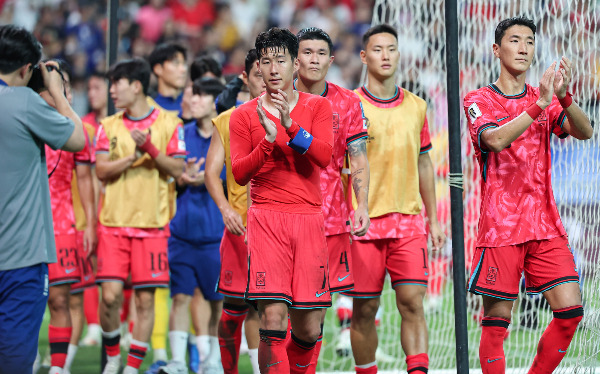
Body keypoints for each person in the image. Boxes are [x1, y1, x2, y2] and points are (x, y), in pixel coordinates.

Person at [463, 16, 592, 374]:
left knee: (570, 312)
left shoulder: (546, 99)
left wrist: (564, 99)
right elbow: (494, 139)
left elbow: (585, 131)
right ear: (496, 49)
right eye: (515, 40)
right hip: (500, 227)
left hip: (544, 224)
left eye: (530, 41)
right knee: (498, 319)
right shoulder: (479, 98)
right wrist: (540, 105)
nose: (523, 47)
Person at [229, 27, 333, 373]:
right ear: (257, 67)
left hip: (308, 219)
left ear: (294, 65)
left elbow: (324, 157)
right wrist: (266, 144)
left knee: (307, 328)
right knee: (272, 319)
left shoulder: (318, 106)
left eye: (280, 61)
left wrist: (290, 126)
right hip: (266, 219)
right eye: (266, 61)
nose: (273, 69)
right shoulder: (244, 115)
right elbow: (240, 174)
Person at [343, 24, 446, 374]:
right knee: (365, 310)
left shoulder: (417, 106)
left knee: (413, 303)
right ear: (364, 56)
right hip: (363, 224)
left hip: (408, 223)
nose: (385, 56)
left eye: (391, 49)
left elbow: (424, 162)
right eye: (377, 49)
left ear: (399, 54)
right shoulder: (348, 105)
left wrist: (433, 219)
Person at [0, 24, 85, 373]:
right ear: (26, 69)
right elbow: (78, 138)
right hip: (20, 256)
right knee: (16, 358)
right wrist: (57, 92)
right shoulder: (22, 102)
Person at [95, 58, 186, 374]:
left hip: (152, 225)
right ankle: (112, 358)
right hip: (113, 224)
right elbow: (100, 170)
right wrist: (131, 158)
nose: (111, 91)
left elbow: (178, 169)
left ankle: (131, 368)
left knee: (146, 302)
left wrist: (150, 147)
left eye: (115, 84)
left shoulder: (169, 124)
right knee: (110, 297)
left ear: (135, 86)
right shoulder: (108, 126)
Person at [293, 27, 371, 371]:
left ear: (331, 59)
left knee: (313, 319)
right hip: (282, 220)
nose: (313, 59)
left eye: (320, 53)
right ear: (296, 60)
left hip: (329, 223)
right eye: (307, 52)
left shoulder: (348, 102)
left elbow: (359, 158)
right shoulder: (277, 99)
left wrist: (362, 205)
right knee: (277, 313)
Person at [158, 77, 227, 374]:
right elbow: (168, 173)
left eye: (199, 96)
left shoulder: (226, 136)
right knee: (180, 297)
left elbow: (235, 174)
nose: (192, 101)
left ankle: (212, 359)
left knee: (216, 302)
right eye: (192, 96)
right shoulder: (180, 134)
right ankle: (177, 361)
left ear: (214, 102)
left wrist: (211, 176)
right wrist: (179, 175)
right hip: (181, 235)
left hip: (215, 236)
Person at [206, 48, 265, 374]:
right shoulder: (228, 121)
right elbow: (210, 172)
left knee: (267, 310)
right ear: (245, 78)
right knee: (233, 312)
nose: (266, 79)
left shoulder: (291, 118)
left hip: (274, 230)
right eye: (258, 74)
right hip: (239, 230)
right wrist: (225, 208)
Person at [39, 59, 96, 374]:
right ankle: (27, 356)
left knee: (59, 300)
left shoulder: (77, 130)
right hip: (22, 224)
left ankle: (58, 368)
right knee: (25, 299)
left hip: (61, 224)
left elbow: (85, 181)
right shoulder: (22, 118)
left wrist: (88, 223)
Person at [146, 41, 189, 371]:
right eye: (175, 62)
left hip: (191, 205)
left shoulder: (193, 105)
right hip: (157, 203)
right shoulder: (148, 110)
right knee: (158, 281)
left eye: (183, 63)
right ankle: (159, 352)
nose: (182, 68)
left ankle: (192, 354)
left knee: (188, 288)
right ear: (158, 68)